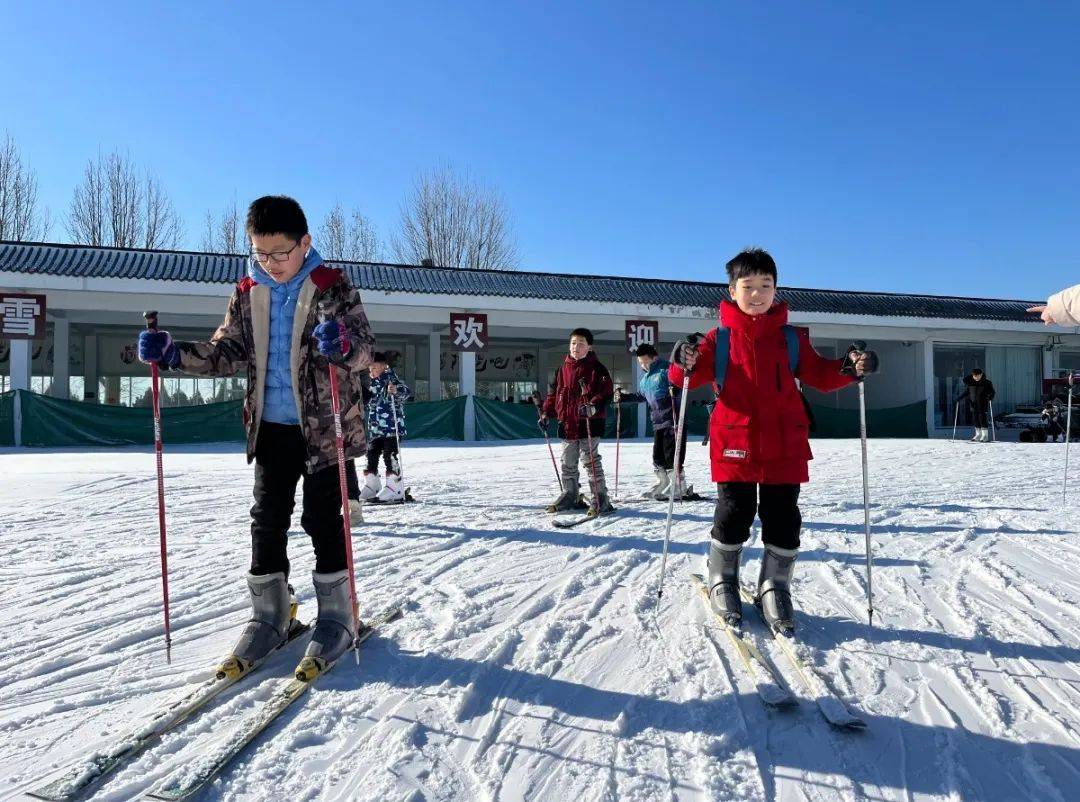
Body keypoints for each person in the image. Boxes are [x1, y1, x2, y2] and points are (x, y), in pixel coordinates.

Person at [137, 195, 375, 679]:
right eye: (260, 253)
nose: (271, 263)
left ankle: (338, 614)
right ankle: (271, 614)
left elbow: (364, 349)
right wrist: (174, 354)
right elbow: (227, 351)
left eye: (280, 253)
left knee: (322, 520)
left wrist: (345, 346)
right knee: (266, 520)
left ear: (304, 243)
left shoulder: (332, 285)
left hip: (325, 428)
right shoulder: (248, 290)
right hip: (270, 425)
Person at [669, 248, 878, 631]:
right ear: (732, 290)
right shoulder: (719, 339)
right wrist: (683, 360)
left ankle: (775, 585)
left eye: (766, 285)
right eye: (748, 286)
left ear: (776, 289)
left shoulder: (791, 338)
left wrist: (851, 367)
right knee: (734, 512)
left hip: (785, 441)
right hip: (736, 439)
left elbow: (821, 374)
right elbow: (686, 377)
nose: (757, 294)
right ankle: (723, 578)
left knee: (784, 516)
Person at [540, 328, 615, 517]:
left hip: (589, 422)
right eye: (573, 343)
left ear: (589, 347)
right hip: (567, 423)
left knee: (591, 462)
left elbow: (606, 393)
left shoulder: (598, 368)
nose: (576, 347)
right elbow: (553, 395)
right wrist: (545, 414)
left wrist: (594, 405)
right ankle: (570, 494)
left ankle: (600, 499)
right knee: (568, 462)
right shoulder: (562, 369)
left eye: (581, 343)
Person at [615, 343, 694, 500]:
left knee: (672, 455)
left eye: (645, 361)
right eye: (640, 363)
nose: (643, 365)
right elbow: (641, 396)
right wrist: (623, 397)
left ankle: (679, 485)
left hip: (673, 420)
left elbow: (681, 380)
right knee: (658, 457)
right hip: (658, 422)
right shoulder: (645, 379)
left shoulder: (666, 369)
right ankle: (663, 482)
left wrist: (675, 388)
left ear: (654, 357)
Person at [358, 352, 412, 503]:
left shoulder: (391, 380)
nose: (372, 371)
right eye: (370, 368)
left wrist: (396, 391)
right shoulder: (370, 383)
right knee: (371, 454)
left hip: (391, 428)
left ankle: (395, 487)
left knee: (390, 455)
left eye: (375, 368)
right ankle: (372, 485)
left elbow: (406, 392)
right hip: (375, 429)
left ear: (383, 366)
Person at [961, 368, 995, 442]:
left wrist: (990, 397)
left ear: (981, 375)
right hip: (973, 404)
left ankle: (985, 435)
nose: (976, 377)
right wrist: (959, 398)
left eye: (978, 375)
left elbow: (992, 392)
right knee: (975, 419)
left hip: (983, 404)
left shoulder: (987, 383)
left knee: (982, 419)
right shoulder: (971, 383)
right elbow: (967, 391)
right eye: (974, 376)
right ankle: (978, 434)